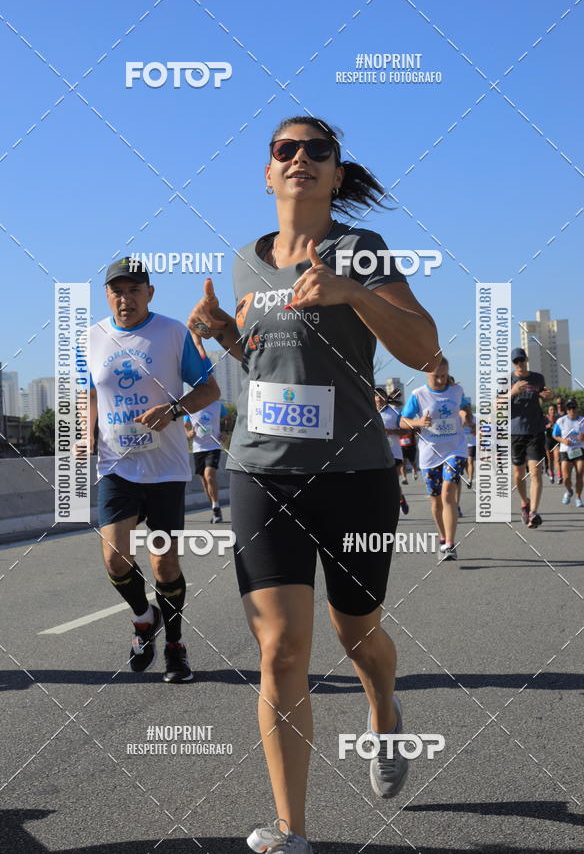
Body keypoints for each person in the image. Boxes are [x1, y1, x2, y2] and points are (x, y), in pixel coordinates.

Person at [187, 116, 441, 854]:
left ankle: (385, 712)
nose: (300, 159)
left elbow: (424, 347)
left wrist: (349, 293)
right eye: (284, 150)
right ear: (267, 174)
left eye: (316, 151)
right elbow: (266, 370)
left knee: (356, 634)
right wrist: (225, 338)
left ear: (336, 173)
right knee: (281, 650)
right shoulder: (245, 263)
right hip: (261, 470)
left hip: (353, 471)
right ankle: (293, 830)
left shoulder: (359, 252)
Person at [85, 258, 219, 682]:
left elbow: (210, 389)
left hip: (165, 469)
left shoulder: (173, 332)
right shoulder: (90, 338)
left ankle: (176, 647)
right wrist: (86, 432)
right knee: (114, 559)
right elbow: (88, 392)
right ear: (107, 295)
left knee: (163, 565)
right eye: (117, 291)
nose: (125, 299)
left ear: (150, 293)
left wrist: (174, 409)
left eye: (134, 290)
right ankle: (145, 618)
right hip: (116, 466)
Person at [401, 357, 471, 560]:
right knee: (436, 502)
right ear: (426, 374)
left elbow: (465, 407)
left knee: (448, 493)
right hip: (430, 454)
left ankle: (450, 543)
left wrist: (465, 414)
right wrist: (418, 421)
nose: (440, 380)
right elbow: (403, 421)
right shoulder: (418, 395)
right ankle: (442, 537)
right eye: (436, 377)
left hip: (455, 449)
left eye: (444, 376)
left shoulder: (456, 391)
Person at [510, 347, 553, 528]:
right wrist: (513, 392)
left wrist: (549, 395)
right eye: (516, 361)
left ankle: (534, 513)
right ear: (513, 363)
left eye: (522, 360)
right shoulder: (507, 380)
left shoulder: (537, 378)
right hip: (515, 432)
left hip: (535, 430)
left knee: (535, 472)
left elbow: (543, 395)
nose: (519, 364)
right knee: (518, 476)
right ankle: (525, 502)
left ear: (526, 359)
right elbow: (496, 405)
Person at [183, 400, 229, 522]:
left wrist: (225, 432)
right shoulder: (190, 406)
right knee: (204, 481)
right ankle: (214, 506)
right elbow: (185, 426)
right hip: (198, 449)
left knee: (209, 476)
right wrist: (189, 433)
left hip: (213, 447)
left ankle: (216, 508)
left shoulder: (217, 405)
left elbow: (227, 418)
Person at [375, 387, 409, 514]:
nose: (379, 398)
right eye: (376, 395)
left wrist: (391, 431)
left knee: (393, 482)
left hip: (394, 453)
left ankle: (399, 501)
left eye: (381, 395)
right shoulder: (369, 412)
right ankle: (396, 501)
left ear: (385, 398)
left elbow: (406, 430)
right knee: (381, 484)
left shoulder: (395, 412)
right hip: (376, 454)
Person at [552, 399, 584, 507]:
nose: (572, 410)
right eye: (569, 408)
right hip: (566, 451)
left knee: (579, 474)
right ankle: (569, 491)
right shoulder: (561, 421)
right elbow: (555, 435)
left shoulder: (582, 420)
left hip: (579, 449)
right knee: (566, 477)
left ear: (577, 408)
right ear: (566, 410)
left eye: (573, 407)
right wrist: (563, 441)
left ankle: (578, 497)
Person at [544, 403, 558, 484]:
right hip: (548, 440)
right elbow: (540, 427)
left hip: (556, 440)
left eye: (553, 409)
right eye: (551, 410)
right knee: (550, 459)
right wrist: (547, 426)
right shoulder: (545, 418)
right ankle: (551, 474)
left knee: (557, 458)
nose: (552, 411)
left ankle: (559, 475)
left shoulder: (558, 419)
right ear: (548, 411)